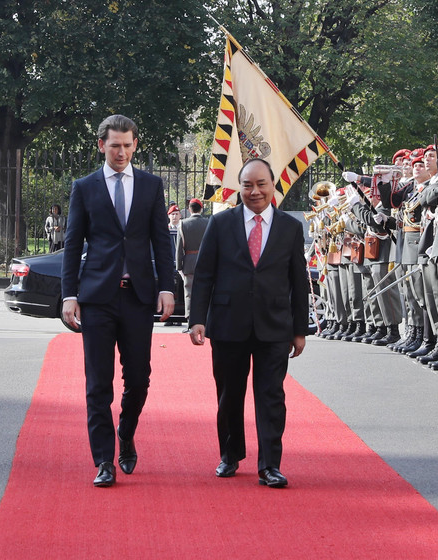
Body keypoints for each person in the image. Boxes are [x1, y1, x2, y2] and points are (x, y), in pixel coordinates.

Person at [60, 114, 175, 488]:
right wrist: (69, 294)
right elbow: (72, 243)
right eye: (114, 146)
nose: (121, 152)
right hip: (97, 298)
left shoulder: (151, 185)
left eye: (127, 145)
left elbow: (162, 240)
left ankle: (125, 432)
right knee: (98, 383)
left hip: (139, 296)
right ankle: (104, 460)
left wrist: (167, 287)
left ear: (135, 144)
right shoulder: (85, 187)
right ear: (101, 146)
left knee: (139, 378)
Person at [189, 158, 309, 488]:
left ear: (273, 186)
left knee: (271, 397)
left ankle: (270, 465)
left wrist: (300, 329)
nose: (254, 191)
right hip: (228, 324)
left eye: (261, 184)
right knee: (229, 395)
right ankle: (230, 455)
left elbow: (299, 281)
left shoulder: (289, 227)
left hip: (274, 326)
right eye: (247, 185)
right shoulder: (221, 223)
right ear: (239, 187)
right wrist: (197, 319)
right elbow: (204, 275)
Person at [176, 198, 209, 320]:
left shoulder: (183, 224)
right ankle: (203, 320)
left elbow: (179, 248)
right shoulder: (208, 222)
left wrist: (179, 267)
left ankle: (190, 319)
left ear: (189, 209)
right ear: (201, 209)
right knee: (204, 293)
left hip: (189, 263)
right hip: (205, 263)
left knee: (189, 293)